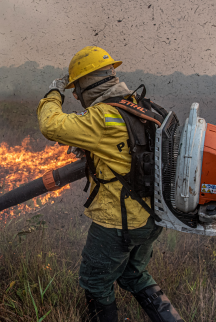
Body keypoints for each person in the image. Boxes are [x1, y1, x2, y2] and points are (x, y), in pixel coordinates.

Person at [36, 46, 183, 322]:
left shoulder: (103, 117)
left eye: (76, 88)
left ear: (88, 83)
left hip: (119, 223)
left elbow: (51, 125)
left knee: (94, 283)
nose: (76, 95)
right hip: (154, 218)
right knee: (134, 274)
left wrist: (54, 92)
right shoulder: (143, 107)